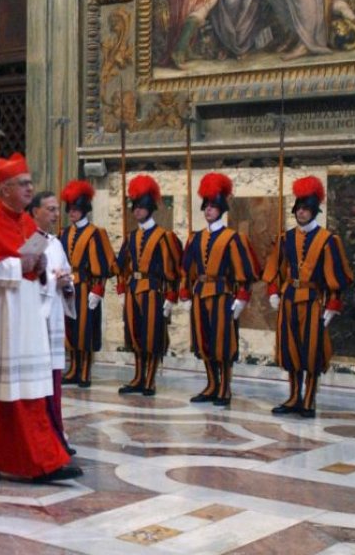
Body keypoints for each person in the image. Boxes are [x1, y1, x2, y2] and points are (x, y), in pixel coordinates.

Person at [0, 154, 78, 483]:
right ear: (4, 189)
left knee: (26, 394)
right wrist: (18, 265)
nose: (29, 189)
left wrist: (40, 267)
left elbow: (33, 269)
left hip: (24, 323)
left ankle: (38, 460)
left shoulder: (27, 225)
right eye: (23, 184)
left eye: (30, 183)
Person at [262, 177, 351, 418]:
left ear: (314, 211)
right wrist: (273, 291)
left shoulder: (328, 241)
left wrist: (332, 305)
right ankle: (293, 397)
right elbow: (276, 268)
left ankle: (309, 400)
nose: (301, 212)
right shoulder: (286, 238)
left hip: (313, 301)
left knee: (312, 351)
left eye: (305, 209)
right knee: (290, 350)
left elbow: (336, 277)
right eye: (298, 208)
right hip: (289, 298)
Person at [180, 173, 258, 406]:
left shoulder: (233, 238)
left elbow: (244, 271)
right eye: (206, 206)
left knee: (223, 343)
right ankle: (212, 384)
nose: (208, 210)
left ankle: (225, 388)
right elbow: (187, 268)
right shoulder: (194, 238)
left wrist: (242, 297)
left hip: (223, 295)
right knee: (204, 341)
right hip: (200, 294)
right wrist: (185, 292)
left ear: (221, 209)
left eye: (213, 206)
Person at [116, 176, 183, 397]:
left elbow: (174, 270)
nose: (137, 210)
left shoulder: (165, 237)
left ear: (150, 209)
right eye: (135, 207)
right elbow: (121, 266)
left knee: (153, 336)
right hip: (133, 289)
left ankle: (150, 380)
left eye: (141, 207)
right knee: (134, 335)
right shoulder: (131, 237)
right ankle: (138, 377)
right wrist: (121, 289)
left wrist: (171, 297)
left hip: (154, 292)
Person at [27, 190, 76, 454]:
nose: (57, 214)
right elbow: (24, 281)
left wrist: (67, 283)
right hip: (36, 319)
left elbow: (66, 272)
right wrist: (50, 283)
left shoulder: (56, 243)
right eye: (51, 209)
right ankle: (44, 438)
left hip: (55, 316)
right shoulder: (29, 242)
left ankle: (57, 434)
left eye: (57, 209)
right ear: (35, 211)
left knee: (54, 379)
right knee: (40, 381)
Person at [59, 180, 117, 388]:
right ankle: (73, 368)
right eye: (70, 209)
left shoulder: (96, 233)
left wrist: (98, 289)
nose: (71, 213)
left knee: (85, 329)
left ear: (84, 210)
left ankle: (85, 370)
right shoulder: (64, 233)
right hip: (67, 286)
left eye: (75, 209)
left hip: (86, 287)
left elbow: (105, 263)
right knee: (70, 328)